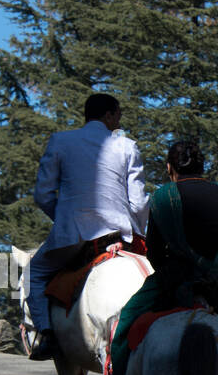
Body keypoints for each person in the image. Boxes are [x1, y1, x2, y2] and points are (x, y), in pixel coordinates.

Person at [102, 140, 218, 375]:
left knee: (125, 323)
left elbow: (154, 251)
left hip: (175, 278)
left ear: (170, 168)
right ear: (203, 166)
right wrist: (212, 272)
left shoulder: (164, 196)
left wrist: (175, 274)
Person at [27, 93, 149, 361]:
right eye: (117, 115)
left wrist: (63, 220)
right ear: (107, 115)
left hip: (73, 235)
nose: (119, 121)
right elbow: (139, 203)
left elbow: (42, 195)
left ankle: (46, 335)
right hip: (118, 234)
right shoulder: (127, 146)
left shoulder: (60, 140)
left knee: (35, 271)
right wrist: (136, 234)